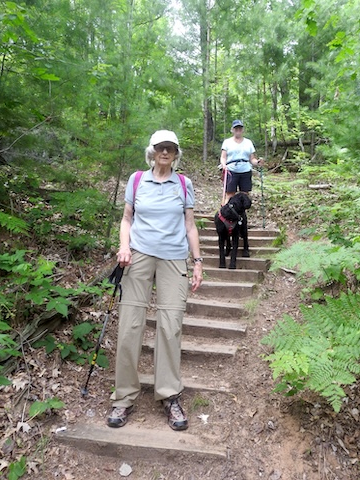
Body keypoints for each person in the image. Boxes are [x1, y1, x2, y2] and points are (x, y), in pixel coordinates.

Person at [107, 130, 203, 431]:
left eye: (171, 149)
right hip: (138, 256)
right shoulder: (137, 181)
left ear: (176, 154)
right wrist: (124, 246)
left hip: (174, 258)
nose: (165, 153)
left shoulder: (184, 184)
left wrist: (197, 261)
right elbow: (126, 219)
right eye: (161, 147)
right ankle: (123, 398)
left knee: (171, 325)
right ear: (152, 151)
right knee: (129, 325)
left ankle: (169, 395)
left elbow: (190, 225)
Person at [220, 119, 263, 204]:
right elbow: (223, 157)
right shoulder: (227, 142)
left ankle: (241, 215)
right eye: (236, 128)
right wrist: (223, 165)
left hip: (246, 170)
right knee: (230, 195)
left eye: (240, 128)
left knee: (245, 195)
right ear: (232, 130)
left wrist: (257, 162)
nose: (238, 130)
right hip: (231, 170)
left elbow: (252, 159)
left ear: (243, 130)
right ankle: (226, 214)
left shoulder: (248, 142)